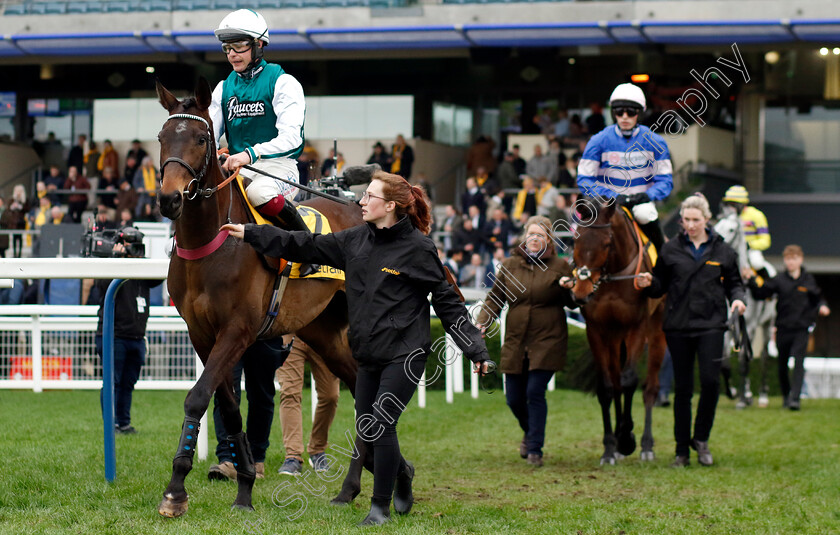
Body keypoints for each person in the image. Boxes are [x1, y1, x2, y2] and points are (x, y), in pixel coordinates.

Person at [221, 170, 492, 526]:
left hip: (406, 354)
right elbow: (304, 245)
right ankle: (402, 474)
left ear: (390, 206)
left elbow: (447, 303)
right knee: (368, 427)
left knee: (381, 425)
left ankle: (379, 506)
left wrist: (475, 348)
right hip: (368, 354)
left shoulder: (419, 248)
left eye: (369, 197)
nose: (360, 202)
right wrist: (252, 233)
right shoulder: (354, 240)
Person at [637, 194, 746, 467]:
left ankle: (701, 439)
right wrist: (649, 282)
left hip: (711, 324)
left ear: (707, 220)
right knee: (682, 389)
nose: (690, 225)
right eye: (686, 220)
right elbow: (660, 284)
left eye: (696, 220)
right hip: (678, 326)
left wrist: (738, 298)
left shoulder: (723, 250)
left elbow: (734, 282)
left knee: (710, 383)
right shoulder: (671, 249)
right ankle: (681, 451)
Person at [209, 9, 317, 275]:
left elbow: (292, 138)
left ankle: (308, 250)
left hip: (279, 169)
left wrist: (249, 154)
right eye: (227, 47)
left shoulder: (284, 82)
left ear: (259, 45)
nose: (232, 53)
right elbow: (210, 134)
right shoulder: (223, 88)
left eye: (239, 45)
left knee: (260, 193)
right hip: (236, 169)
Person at [475, 216, 577, 467]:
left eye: (541, 235)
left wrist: (569, 287)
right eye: (531, 234)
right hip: (516, 339)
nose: (535, 239)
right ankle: (531, 433)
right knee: (513, 398)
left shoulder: (561, 266)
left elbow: (575, 302)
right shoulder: (509, 265)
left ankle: (534, 449)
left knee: (534, 392)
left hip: (548, 338)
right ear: (524, 237)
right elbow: (495, 298)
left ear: (549, 240)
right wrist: (482, 322)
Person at [577, 83, 673, 252]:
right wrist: (610, 196)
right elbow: (584, 179)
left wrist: (647, 195)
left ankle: (662, 261)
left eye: (631, 112)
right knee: (584, 227)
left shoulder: (656, 142)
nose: (625, 117)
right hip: (606, 204)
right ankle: (576, 269)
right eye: (619, 112)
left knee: (646, 214)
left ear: (640, 113)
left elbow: (665, 180)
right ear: (614, 113)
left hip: (640, 203)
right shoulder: (598, 141)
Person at [744, 245, 830, 410]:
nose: (790, 262)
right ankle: (786, 396)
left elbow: (817, 298)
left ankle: (795, 400)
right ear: (785, 261)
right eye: (788, 259)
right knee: (782, 365)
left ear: (800, 259)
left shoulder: (808, 280)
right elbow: (762, 293)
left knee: (799, 362)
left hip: (802, 328)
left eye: (794, 259)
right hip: (783, 328)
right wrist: (752, 280)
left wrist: (822, 306)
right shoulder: (779, 280)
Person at [94, 241, 162, 434]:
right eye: (129, 247)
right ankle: (111, 425)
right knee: (112, 382)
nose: (134, 252)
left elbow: (159, 277)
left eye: (137, 247)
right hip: (113, 335)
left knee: (128, 383)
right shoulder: (111, 266)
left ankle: (123, 423)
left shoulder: (142, 271)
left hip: (136, 336)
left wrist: (139, 260)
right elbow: (102, 286)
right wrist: (116, 259)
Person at [208, 338, 289, 481]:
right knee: (226, 393)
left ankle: (255, 461)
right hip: (231, 331)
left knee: (261, 395)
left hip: (266, 331)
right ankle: (228, 460)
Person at [275, 336, 340, 476]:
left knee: (331, 395)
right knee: (289, 393)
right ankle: (293, 457)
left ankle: (317, 449)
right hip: (291, 335)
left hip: (322, 334)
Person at [721, 185, 771, 271]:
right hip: (730, 249)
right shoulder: (725, 218)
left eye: (734, 204)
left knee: (757, 263)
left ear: (743, 204)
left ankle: (764, 281)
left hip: (749, 250)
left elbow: (766, 240)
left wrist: (749, 245)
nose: (731, 207)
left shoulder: (756, 215)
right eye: (728, 204)